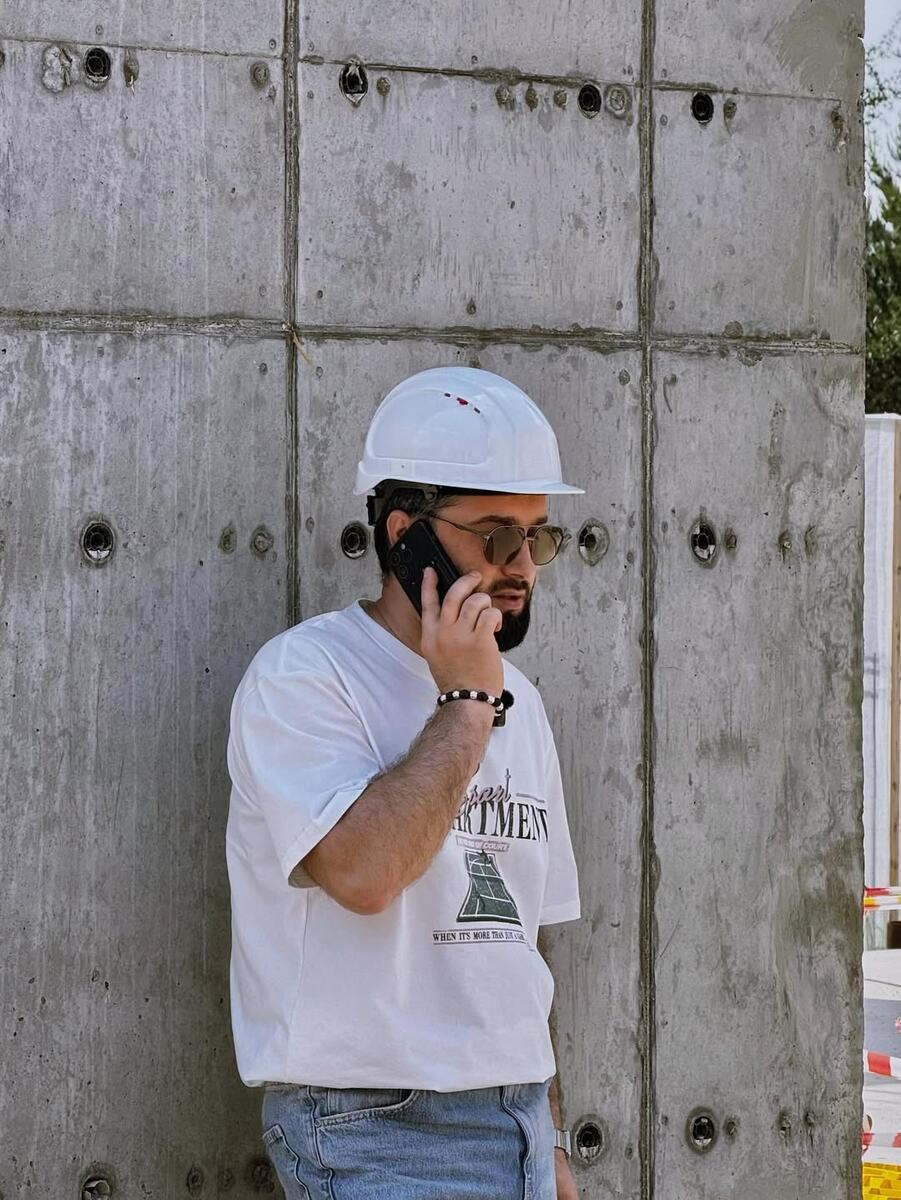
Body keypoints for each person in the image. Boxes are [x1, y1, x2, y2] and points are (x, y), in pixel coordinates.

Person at [226, 366, 584, 1199]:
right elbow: (363, 873)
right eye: (495, 536)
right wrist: (465, 702)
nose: (521, 566)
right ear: (404, 535)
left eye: (538, 538)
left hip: (517, 1122)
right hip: (375, 1130)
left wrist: (551, 1137)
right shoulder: (304, 676)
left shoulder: (522, 701)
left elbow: (520, 947)